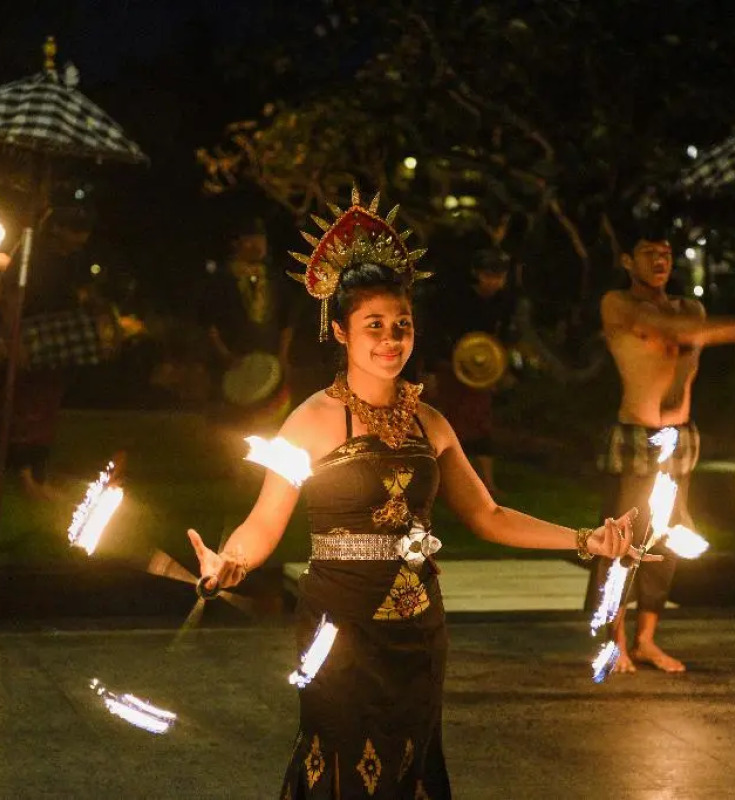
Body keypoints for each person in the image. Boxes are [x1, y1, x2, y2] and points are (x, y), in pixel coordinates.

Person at [187, 191, 648, 798]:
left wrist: (587, 540)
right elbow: (264, 523)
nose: (390, 339)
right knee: (342, 762)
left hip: (419, 627)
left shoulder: (431, 421)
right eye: (373, 326)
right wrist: (232, 560)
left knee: (412, 765)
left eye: (401, 325)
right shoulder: (310, 422)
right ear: (340, 331)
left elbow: (489, 515)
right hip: (339, 626)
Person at [584, 217, 735, 675]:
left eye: (666, 253)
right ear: (629, 261)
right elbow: (669, 332)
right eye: (650, 253)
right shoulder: (617, 304)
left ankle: (647, 639)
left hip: (679, 439)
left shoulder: (692, 309)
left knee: (664, 538)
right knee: (623, 539)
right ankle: (616, 643)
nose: (661, 261)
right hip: (636, 437)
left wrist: (710, 348)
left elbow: (689, 346)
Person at [0, 203, 93, 501]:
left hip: (55, 344)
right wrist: (14, 339)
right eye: (75, 232)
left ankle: (38, 473)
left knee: (46, 407)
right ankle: (24, 476)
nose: (79, 241)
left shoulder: (71, 260)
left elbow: (78, 295)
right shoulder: (30, 255)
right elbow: (11, 298)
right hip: (26, 337)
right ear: (58, 229)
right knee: (23, 406)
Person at [419, 248, 517, 494]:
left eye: (499, 275)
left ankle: (487, 484)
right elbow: (432, 333)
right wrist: (431, 369)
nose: (493, 281)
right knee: (446, 424)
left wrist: (499, 370)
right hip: (448, 367)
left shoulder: (503, 302)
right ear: (477, 274)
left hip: (481, 369)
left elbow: (502, 339)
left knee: (481, 423)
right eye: (488, 274)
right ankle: (439, 482)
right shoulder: (453, 299)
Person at [199, 218, 291, 434]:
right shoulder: (221, 280)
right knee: (234, 426)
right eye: (251, 240)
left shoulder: (274, 279)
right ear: (237, 244)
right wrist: (225, 356)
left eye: (261, 240)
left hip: (270, 361)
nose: (258, 246)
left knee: (271, 422)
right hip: (233, 361)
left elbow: (286, 321)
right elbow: (209, 323)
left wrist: (283, 357)